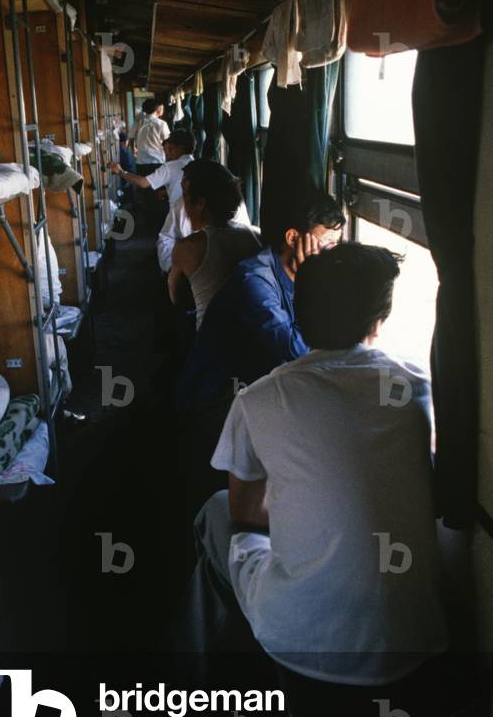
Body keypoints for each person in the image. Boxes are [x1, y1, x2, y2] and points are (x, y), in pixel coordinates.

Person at [185, 242, 448, 689]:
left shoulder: (259, 399)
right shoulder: (417, 388)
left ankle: (205, 673)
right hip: (416, 637)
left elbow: (246, 517)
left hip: (301, 638)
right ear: (380, 319)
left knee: (214, 513)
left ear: (300, 312)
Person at [177, 188, 345, 417]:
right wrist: (312, 283)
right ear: (293, 238)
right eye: (326, 245)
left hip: (257, 380)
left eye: (336, 246)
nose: (332, 256)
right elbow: (298, 353)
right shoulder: (254, 278)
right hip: (216, 396)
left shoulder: (306, 273)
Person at [169, 159, 261, 331]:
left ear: (201, 203)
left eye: (185, 194)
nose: (183, 201)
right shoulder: (257, 235)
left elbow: (176, 299)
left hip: (213, 342)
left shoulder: (187, 248)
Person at [109, 128, 194, 205]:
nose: (168, 153)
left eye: (171, 149)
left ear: (181, 148)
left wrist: (120, 172)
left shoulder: (171, 167)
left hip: (178, 214)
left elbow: (143, 183)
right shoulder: (193, 163)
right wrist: (166, 192)